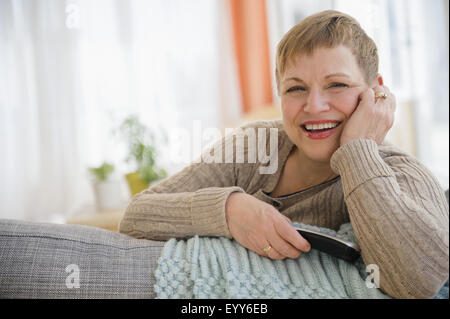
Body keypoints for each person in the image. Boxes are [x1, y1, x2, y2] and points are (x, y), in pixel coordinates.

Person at [118, 10, 449, 299]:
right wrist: (230, 210)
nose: (314, 106)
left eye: (337, 85)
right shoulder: (254, 145)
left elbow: (418, 284)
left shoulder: (404, 174)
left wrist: (357, 152)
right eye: (296, 88)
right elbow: (136, 217)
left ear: (376, 91)